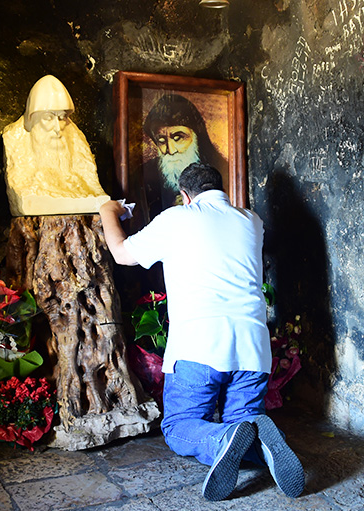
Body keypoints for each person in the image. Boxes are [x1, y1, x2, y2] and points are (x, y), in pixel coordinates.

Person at [99, 163, 304, 501]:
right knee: (246, 419)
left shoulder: (177, 218)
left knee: (178, 427)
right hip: (253, 348)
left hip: (199, 347)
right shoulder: (251, 220)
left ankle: (222, 440)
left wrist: (109, 209)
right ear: (220, 188)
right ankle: (261, 443)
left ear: (185, 195)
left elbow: (121, 254)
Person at [2, 75, 109, 216]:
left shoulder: (76, 139)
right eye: (48, 118)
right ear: (31, 119)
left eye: (62, 118)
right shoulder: (14, 138)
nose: (58, 128)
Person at [141, 93, 228, 222]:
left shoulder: (222, 167)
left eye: (178, 138)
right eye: (161, 140)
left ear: (197, 137)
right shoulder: (145, 172)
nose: (170, 150)